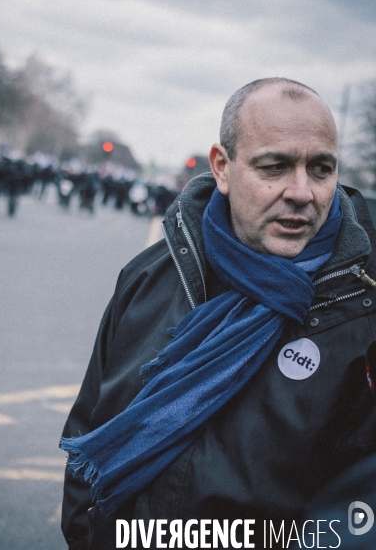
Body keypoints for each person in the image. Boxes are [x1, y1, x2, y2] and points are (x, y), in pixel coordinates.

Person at [60, 78, 376, 549]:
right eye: (275, 166)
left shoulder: (362, 308)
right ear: (222, 168)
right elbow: (90, 426)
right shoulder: (149, 276)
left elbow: (357, 516)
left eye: (321, 169)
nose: (301, 191)